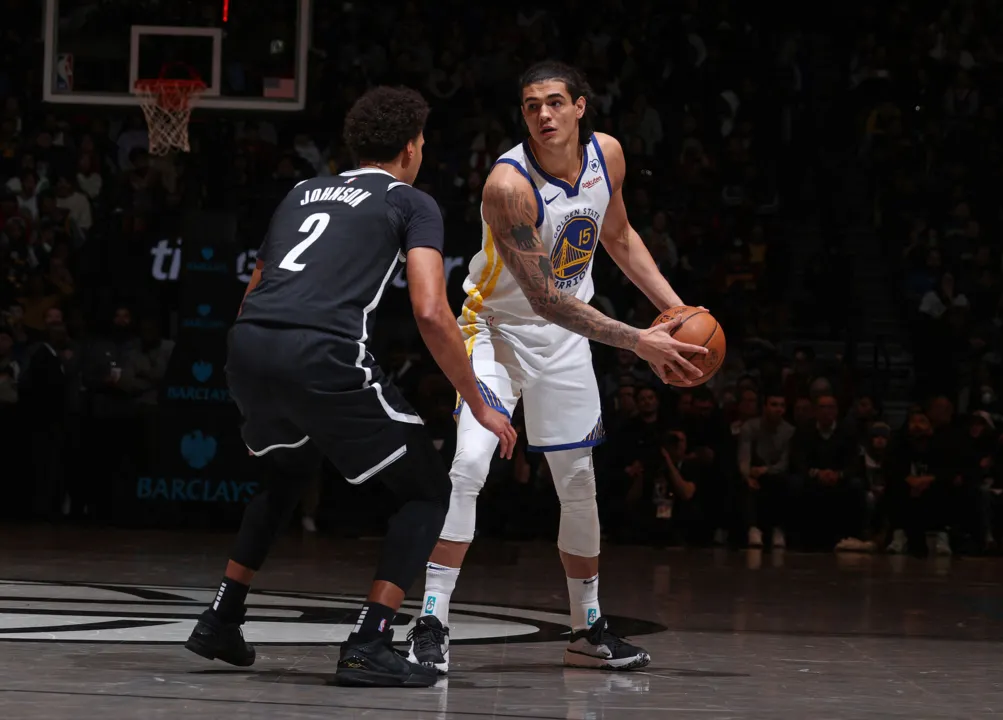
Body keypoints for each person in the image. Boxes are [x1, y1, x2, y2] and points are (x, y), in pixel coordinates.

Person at [183, 86, 516, 688]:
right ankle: (369, 639)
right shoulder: (413, 202)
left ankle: (222, 617)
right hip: (320, 352)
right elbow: (431, 311)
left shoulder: (300, 192)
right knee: (425, 490)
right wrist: (479, 401)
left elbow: (254, 287)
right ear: (412, 146)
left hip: (249, 342)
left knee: (286, 472)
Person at [407, 61, 707, 673]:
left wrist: (673, 310)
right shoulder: (508, 186)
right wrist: (638, 342)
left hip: (566, 338)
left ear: (580, 107)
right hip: (493, 330)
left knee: (577, 480)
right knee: (468, 464)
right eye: (529, 106)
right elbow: (545, 298)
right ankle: (430, 621)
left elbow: (618, 237)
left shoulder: (609, 156)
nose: (542, 115)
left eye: (552, 103)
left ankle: (587, 628)